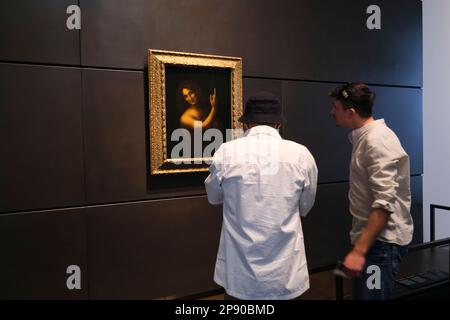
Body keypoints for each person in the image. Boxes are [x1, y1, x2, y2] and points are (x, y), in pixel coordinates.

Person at [204, 91, 318, 300]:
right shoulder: (301, 154)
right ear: (278, 124)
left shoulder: (226, 151)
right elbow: (305, 207)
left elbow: (213, 197)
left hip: (240, 273)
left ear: (246, 124)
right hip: (286, 272)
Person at [329, 83, 413, 300]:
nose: (331, 112)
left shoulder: (376, 142)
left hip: (380, 246)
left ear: (351, 112)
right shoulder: (366, 138)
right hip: (374, 243)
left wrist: (359, 251)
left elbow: (384, 204)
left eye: (334, 107)